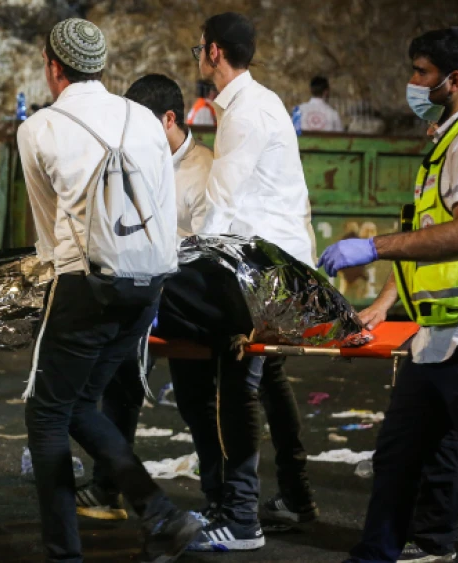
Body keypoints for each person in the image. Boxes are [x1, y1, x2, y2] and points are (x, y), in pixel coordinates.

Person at [17, 18, 201, 563]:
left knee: (46, 414)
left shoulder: (40, 128)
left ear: (53, 67)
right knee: (75, 404)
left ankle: (65, 553)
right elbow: (163, 204)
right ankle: (160, 514)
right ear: (100, 66)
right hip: (148, 287)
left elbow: (49, 232)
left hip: (87, 286)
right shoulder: (144, 119)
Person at [320, 27, 458, 563]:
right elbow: (427, 235)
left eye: (421, 72)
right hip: (433, 336)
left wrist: (370, 246)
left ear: (453, 80)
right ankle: (375, 554)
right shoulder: (444, 139)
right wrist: (386, 301)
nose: (412, 83)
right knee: (397, 457)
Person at [183, 12, 318, 551]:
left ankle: (238, 517)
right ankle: (296, 497)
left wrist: (178, 262)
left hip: (268, 274)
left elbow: (220, 207)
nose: (199, 57)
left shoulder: (245, 114)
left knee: (235, 370)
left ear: (214, 52)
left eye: (199, 49)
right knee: (269, 377)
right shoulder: (253, 104)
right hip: (278, 268)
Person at [73, 73, 212, 522]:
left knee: (197, 405)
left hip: (185, 304)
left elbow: (209, 244)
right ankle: (107, 487)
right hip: (141, 298)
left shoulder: (204, 170)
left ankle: (222, 500)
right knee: (120, 387)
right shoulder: (136, 160)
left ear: (168, 119)